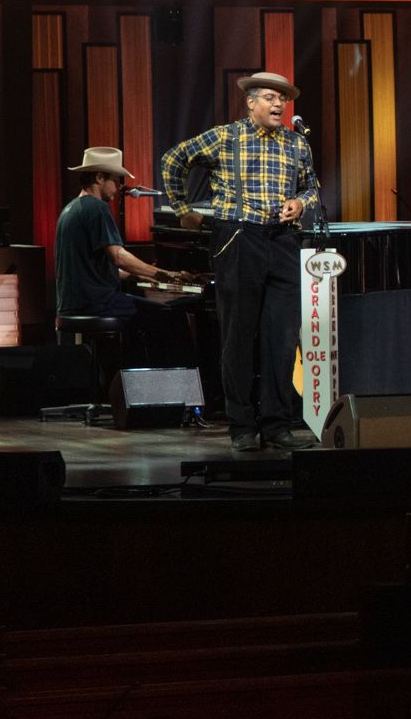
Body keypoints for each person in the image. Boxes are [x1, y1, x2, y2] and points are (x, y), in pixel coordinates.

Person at [160, 71, 319, 452]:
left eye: (282, 99)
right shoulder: (225, 136)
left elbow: (311, 186)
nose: (278, 104)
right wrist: (183, 209)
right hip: (237, 239)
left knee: (281, 339)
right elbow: (173, 160)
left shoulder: (297, 144)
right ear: (250, 102)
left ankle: (277, 425)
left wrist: (301, 203)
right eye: (269, 97)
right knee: (238, 339)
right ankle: (242, 426)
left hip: (282, 242)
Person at [53, 146, 190, 365]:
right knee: (169, 315)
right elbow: (119, 256)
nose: (119, 188)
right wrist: (163, 274)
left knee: (145, 317)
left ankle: (129, 379)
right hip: (96, 303)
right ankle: (169, 387)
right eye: (116, 180)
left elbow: (95, 269)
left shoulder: (72, 209)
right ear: (99, 177)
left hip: (74, 302)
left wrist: (138, 276)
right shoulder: (96, 208)